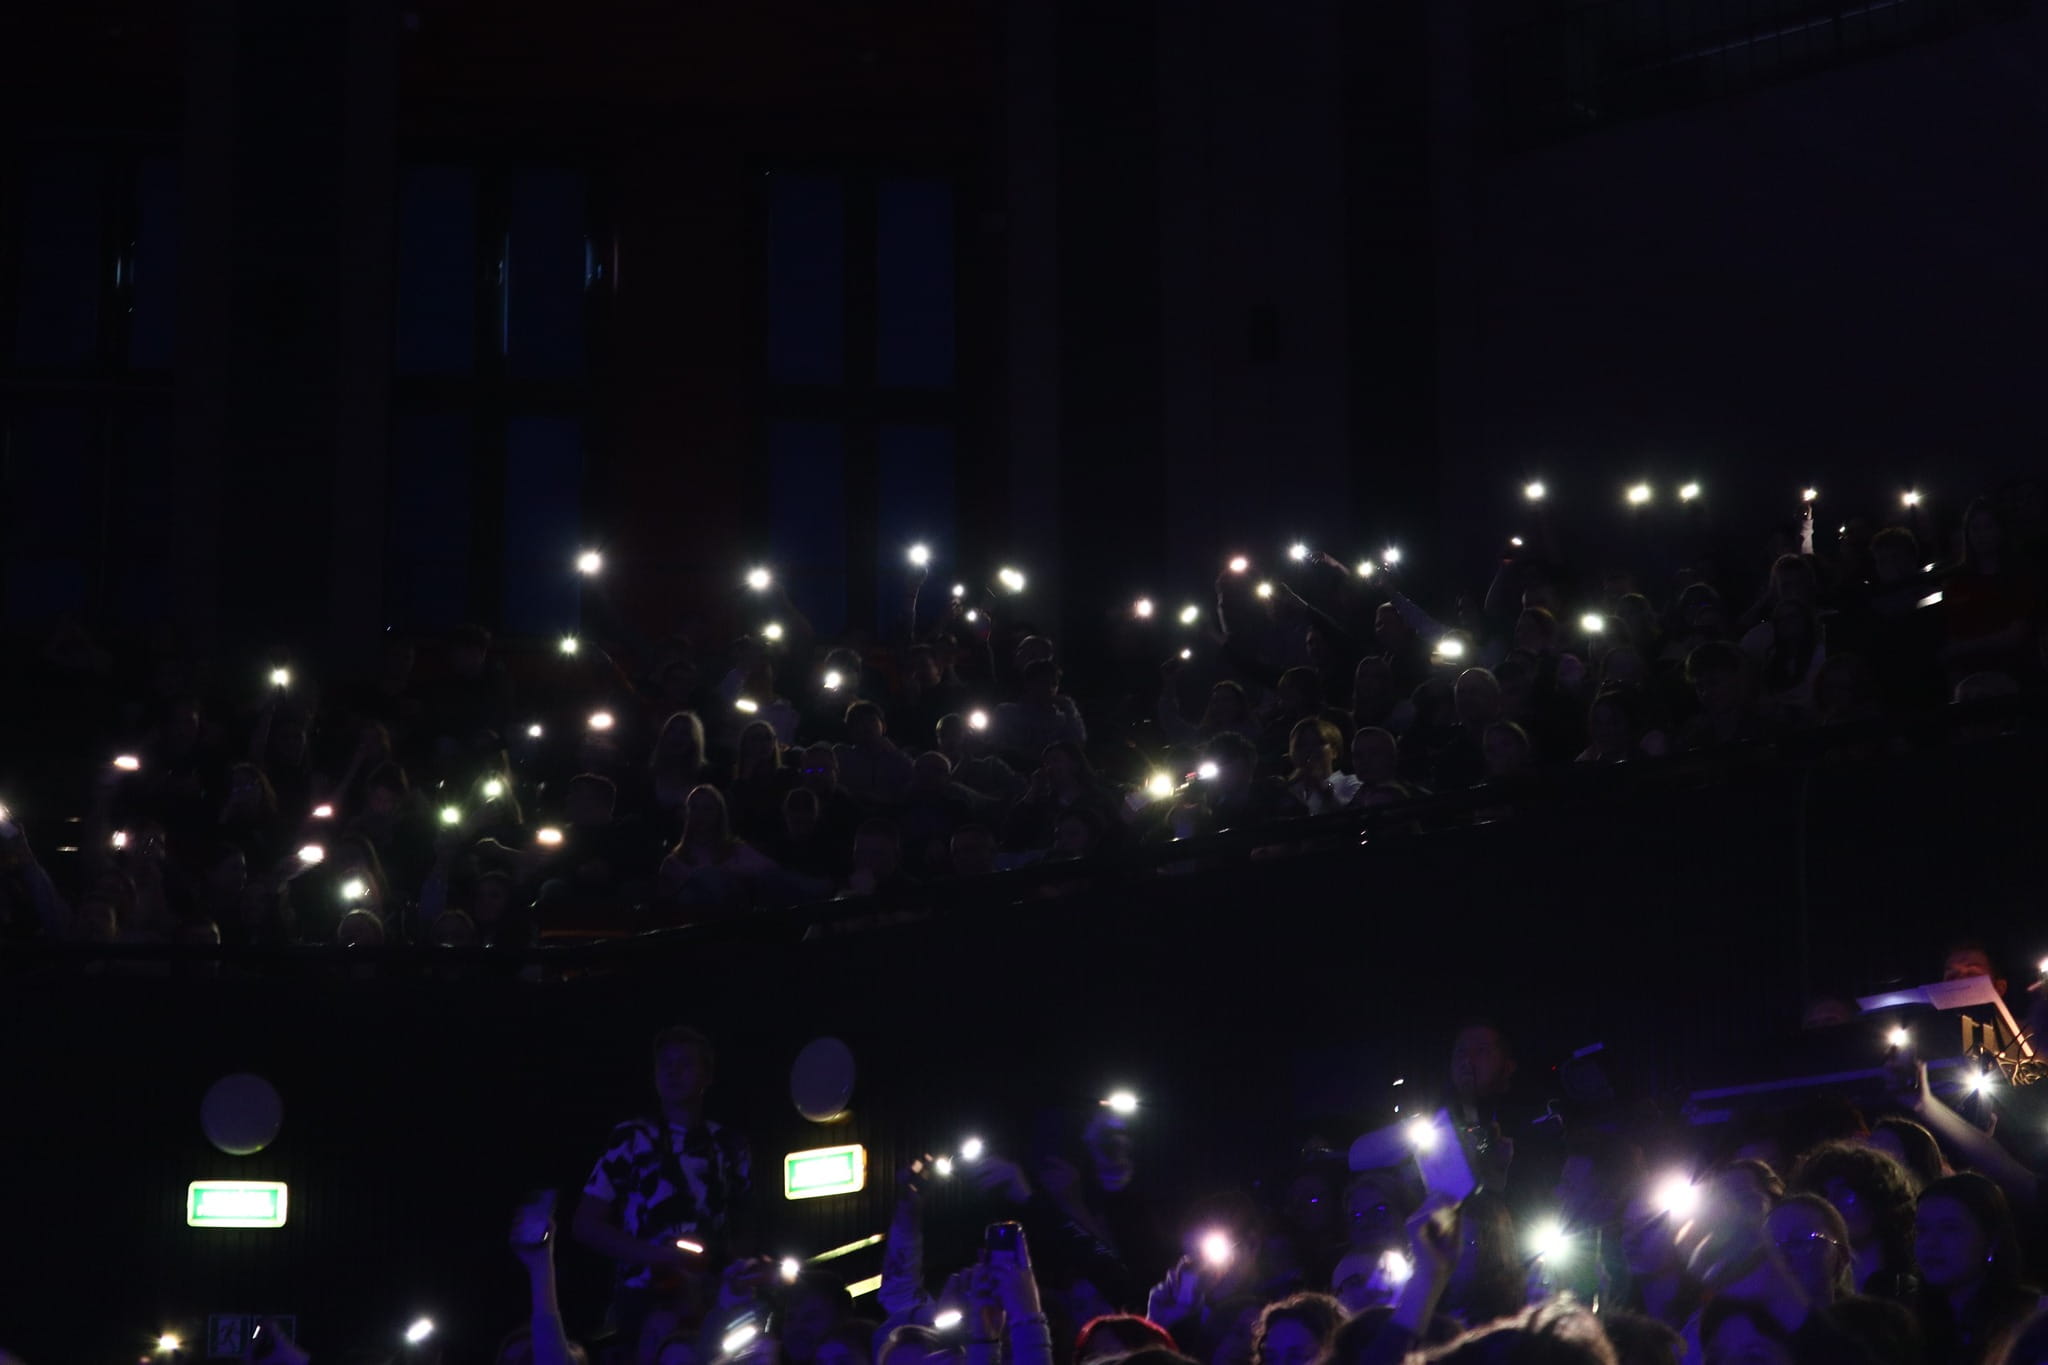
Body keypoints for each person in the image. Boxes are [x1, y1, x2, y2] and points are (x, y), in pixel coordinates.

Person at [573, 1026, 753, 1345]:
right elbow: (586, 1224)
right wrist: (658, 1256)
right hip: (644, 1296)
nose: (673, 1072)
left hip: (710, 1295)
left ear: (707, 1075)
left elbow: (743, 1226)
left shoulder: (729, 1144)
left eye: (684, 1063)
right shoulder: (633, 1138)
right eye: (665, 1064)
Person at [1913, 1173, 2038, 1365]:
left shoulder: (2031, 1320)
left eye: (1949, 1228)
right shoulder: (1910, 1319)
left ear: (1991, 1240)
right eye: (1922, 1230)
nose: (1930, 1243)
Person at [1789, 1142, 1919, 1303]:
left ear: (1879, 1202)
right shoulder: (1801, 1290)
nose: (1829, 1204)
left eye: (1844, 1194)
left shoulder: (1908, 1293)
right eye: (1822, 1195)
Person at [1283, 718, 1359, 814]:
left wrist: (1322, 788)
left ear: (1334, 751)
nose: (1309, 749)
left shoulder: (1350, 783)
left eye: (1318, 743)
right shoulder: (1291, 790)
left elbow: (1349, 816)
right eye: (1301, 745)